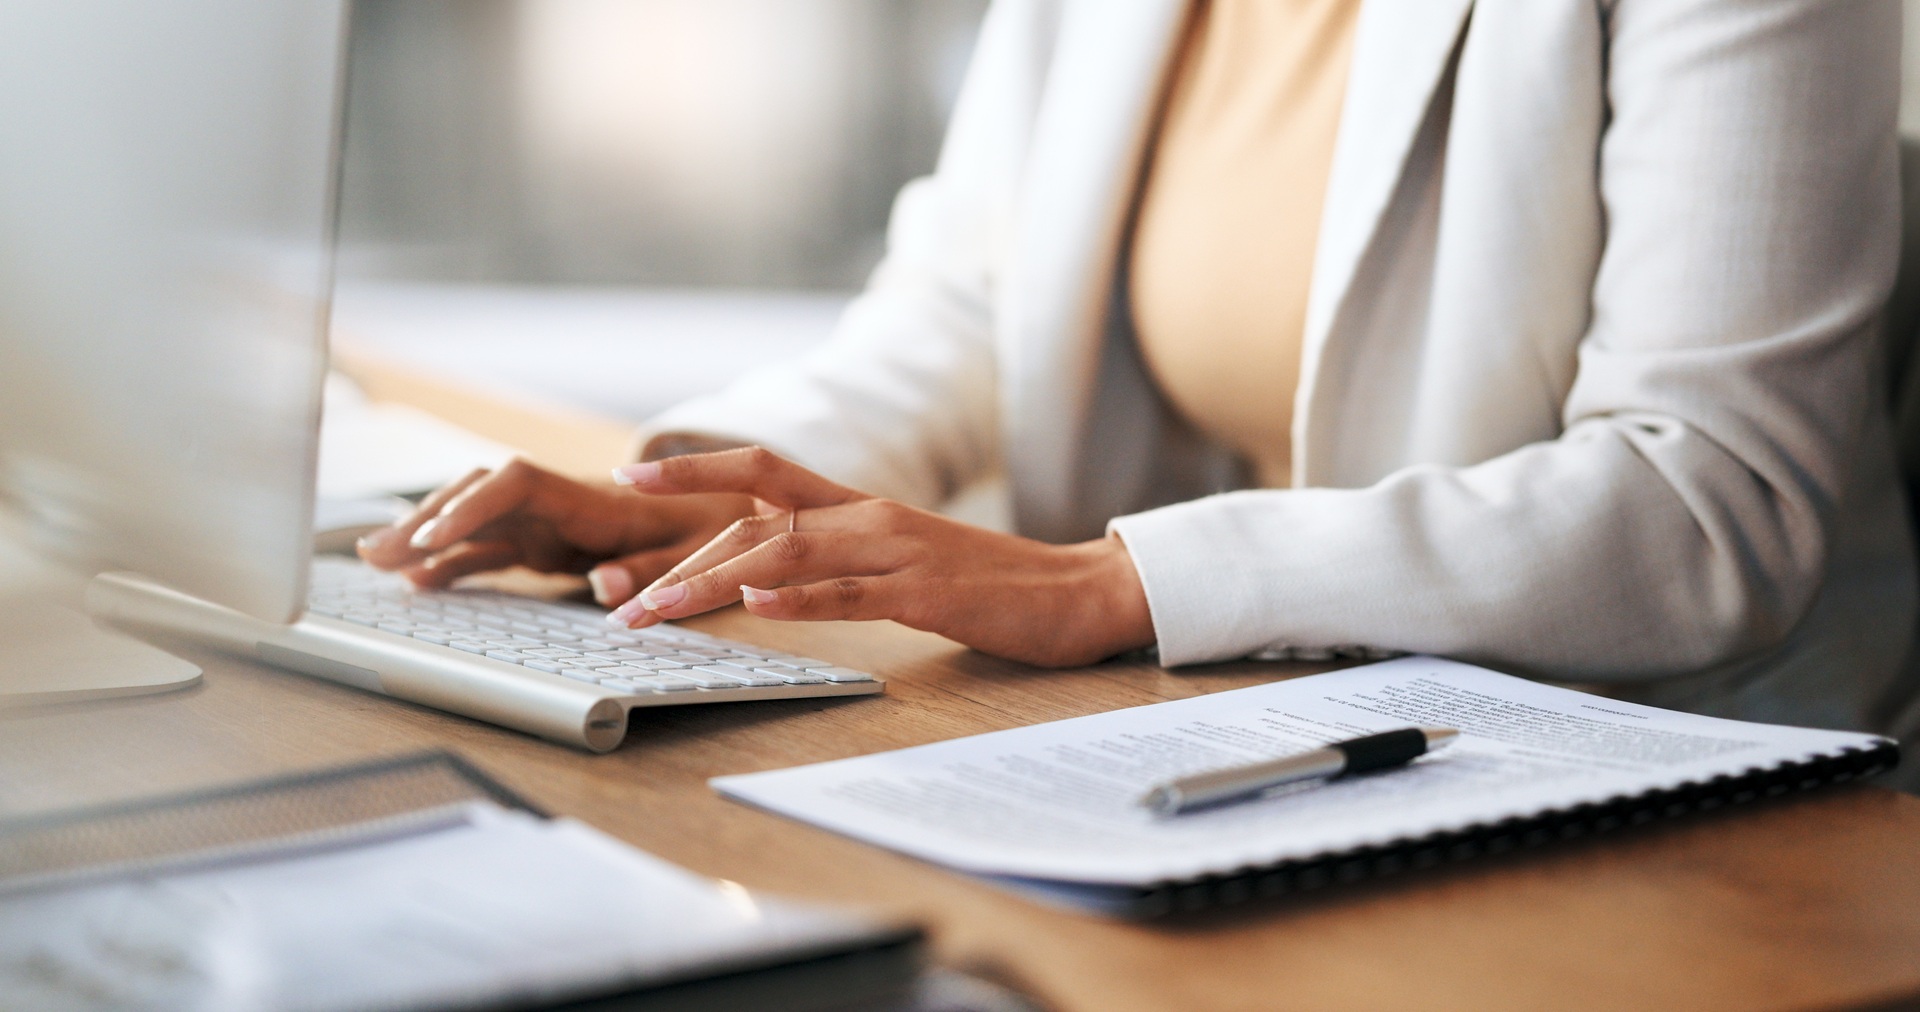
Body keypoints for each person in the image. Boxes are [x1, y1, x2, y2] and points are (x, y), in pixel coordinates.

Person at [359, 0, 1919, 761]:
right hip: (1250, 725)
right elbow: (971, 301)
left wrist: (1107, 583)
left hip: (1647, 764)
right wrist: (699, 491)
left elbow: (1707, 501)